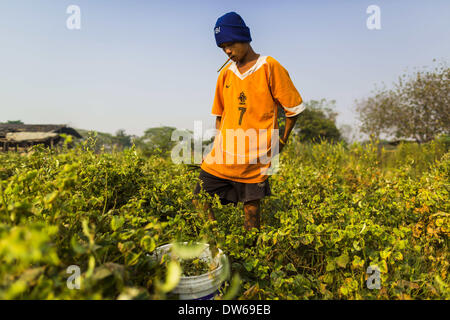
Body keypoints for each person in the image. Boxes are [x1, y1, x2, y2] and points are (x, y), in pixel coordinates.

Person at [193, 12, 305, 231]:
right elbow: (220, 115)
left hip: (256, 157)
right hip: (224, 155)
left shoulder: (269, 66)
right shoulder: (225, 74)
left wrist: (281, 142)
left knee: (251, 214)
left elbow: (293, 109)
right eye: (222, 47)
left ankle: (248, 259)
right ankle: (217, 241)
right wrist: (216, 147)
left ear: (244, 37)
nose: (227, 51)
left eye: (230, 44)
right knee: (199, 198)